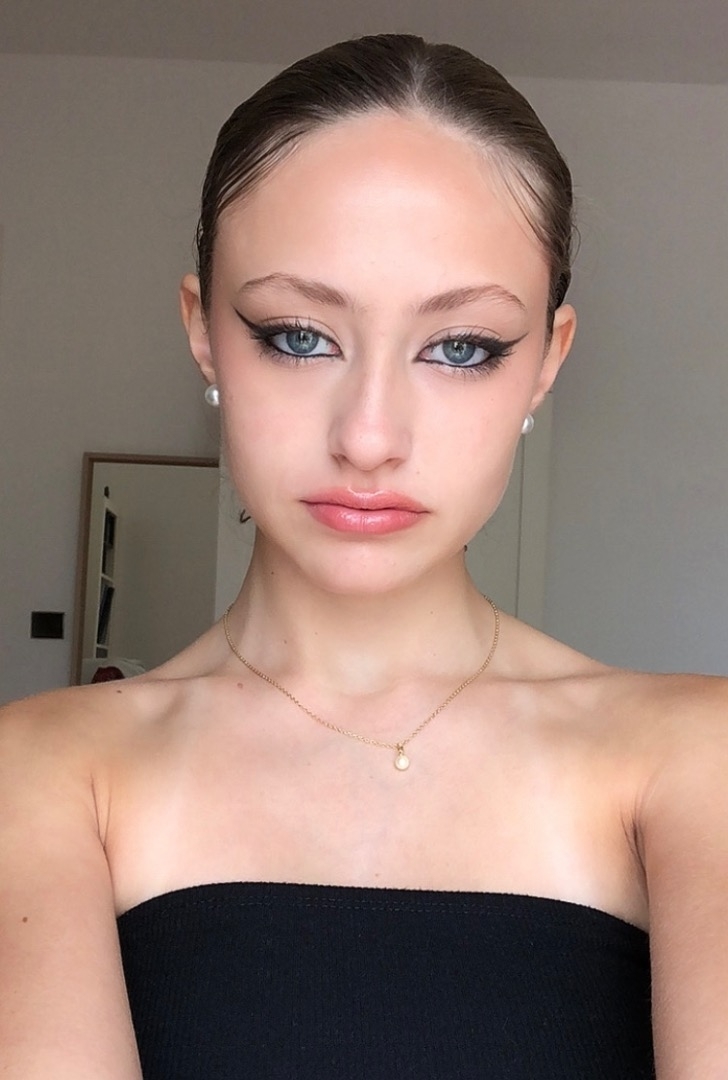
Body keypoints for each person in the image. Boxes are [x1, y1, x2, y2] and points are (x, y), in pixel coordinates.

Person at [1, 32, 726, 1080]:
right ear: (204, 332)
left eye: (461, 348)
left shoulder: (697, 755)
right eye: (298, 335)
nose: (369, 436)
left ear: (545, 362)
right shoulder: (41, 770)